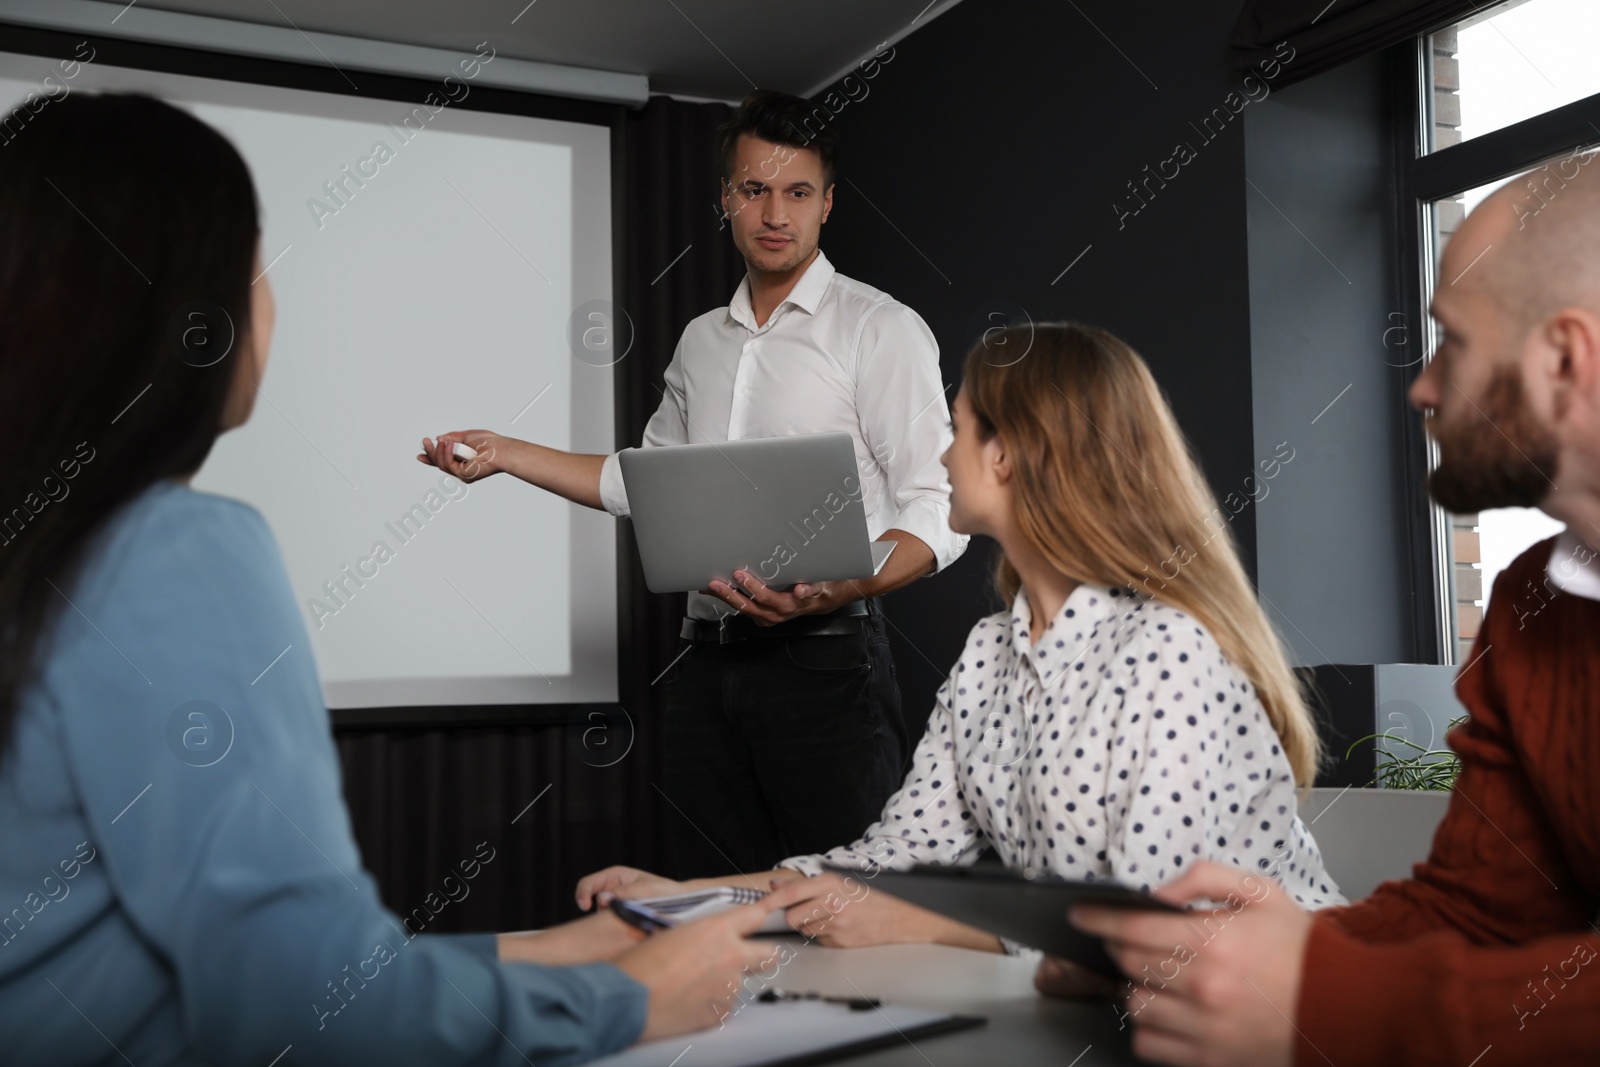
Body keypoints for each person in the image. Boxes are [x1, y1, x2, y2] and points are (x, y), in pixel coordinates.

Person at [0, 92, 799, 1067]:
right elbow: (302, 1005)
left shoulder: (46, 549)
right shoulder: (173, 549)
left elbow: (153, 962)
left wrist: (541, 948)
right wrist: (624, 997)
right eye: (254, 262)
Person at [574, 321, 1344, 952]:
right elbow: (884, 861)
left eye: (961, 425)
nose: (942, 451)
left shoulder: (1166, 650)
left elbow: (1150, 931)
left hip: (1292, 1023)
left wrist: (921, 922)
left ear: (1007, 454)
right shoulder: (990, 652)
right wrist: (693, 896)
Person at [1067, 164, 1600, 1065]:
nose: (1420, 389)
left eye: (1452, 344)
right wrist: (1230, 963)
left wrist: (1326, 996)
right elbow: (1480, 912)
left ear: (1564, 357)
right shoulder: (1528, 611)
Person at [419, 89, 967, 877]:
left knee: (845, 901)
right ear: (725, 199)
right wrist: (506, 452)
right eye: (754, 190)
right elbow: (644, 483)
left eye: (797, 192)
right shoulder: (698, 342)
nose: (774, 212)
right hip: (704, 671)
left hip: (825, 664)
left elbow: (939, 506)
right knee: (715, 906)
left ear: (827, 204)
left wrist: (842, 584)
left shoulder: (879, 328)